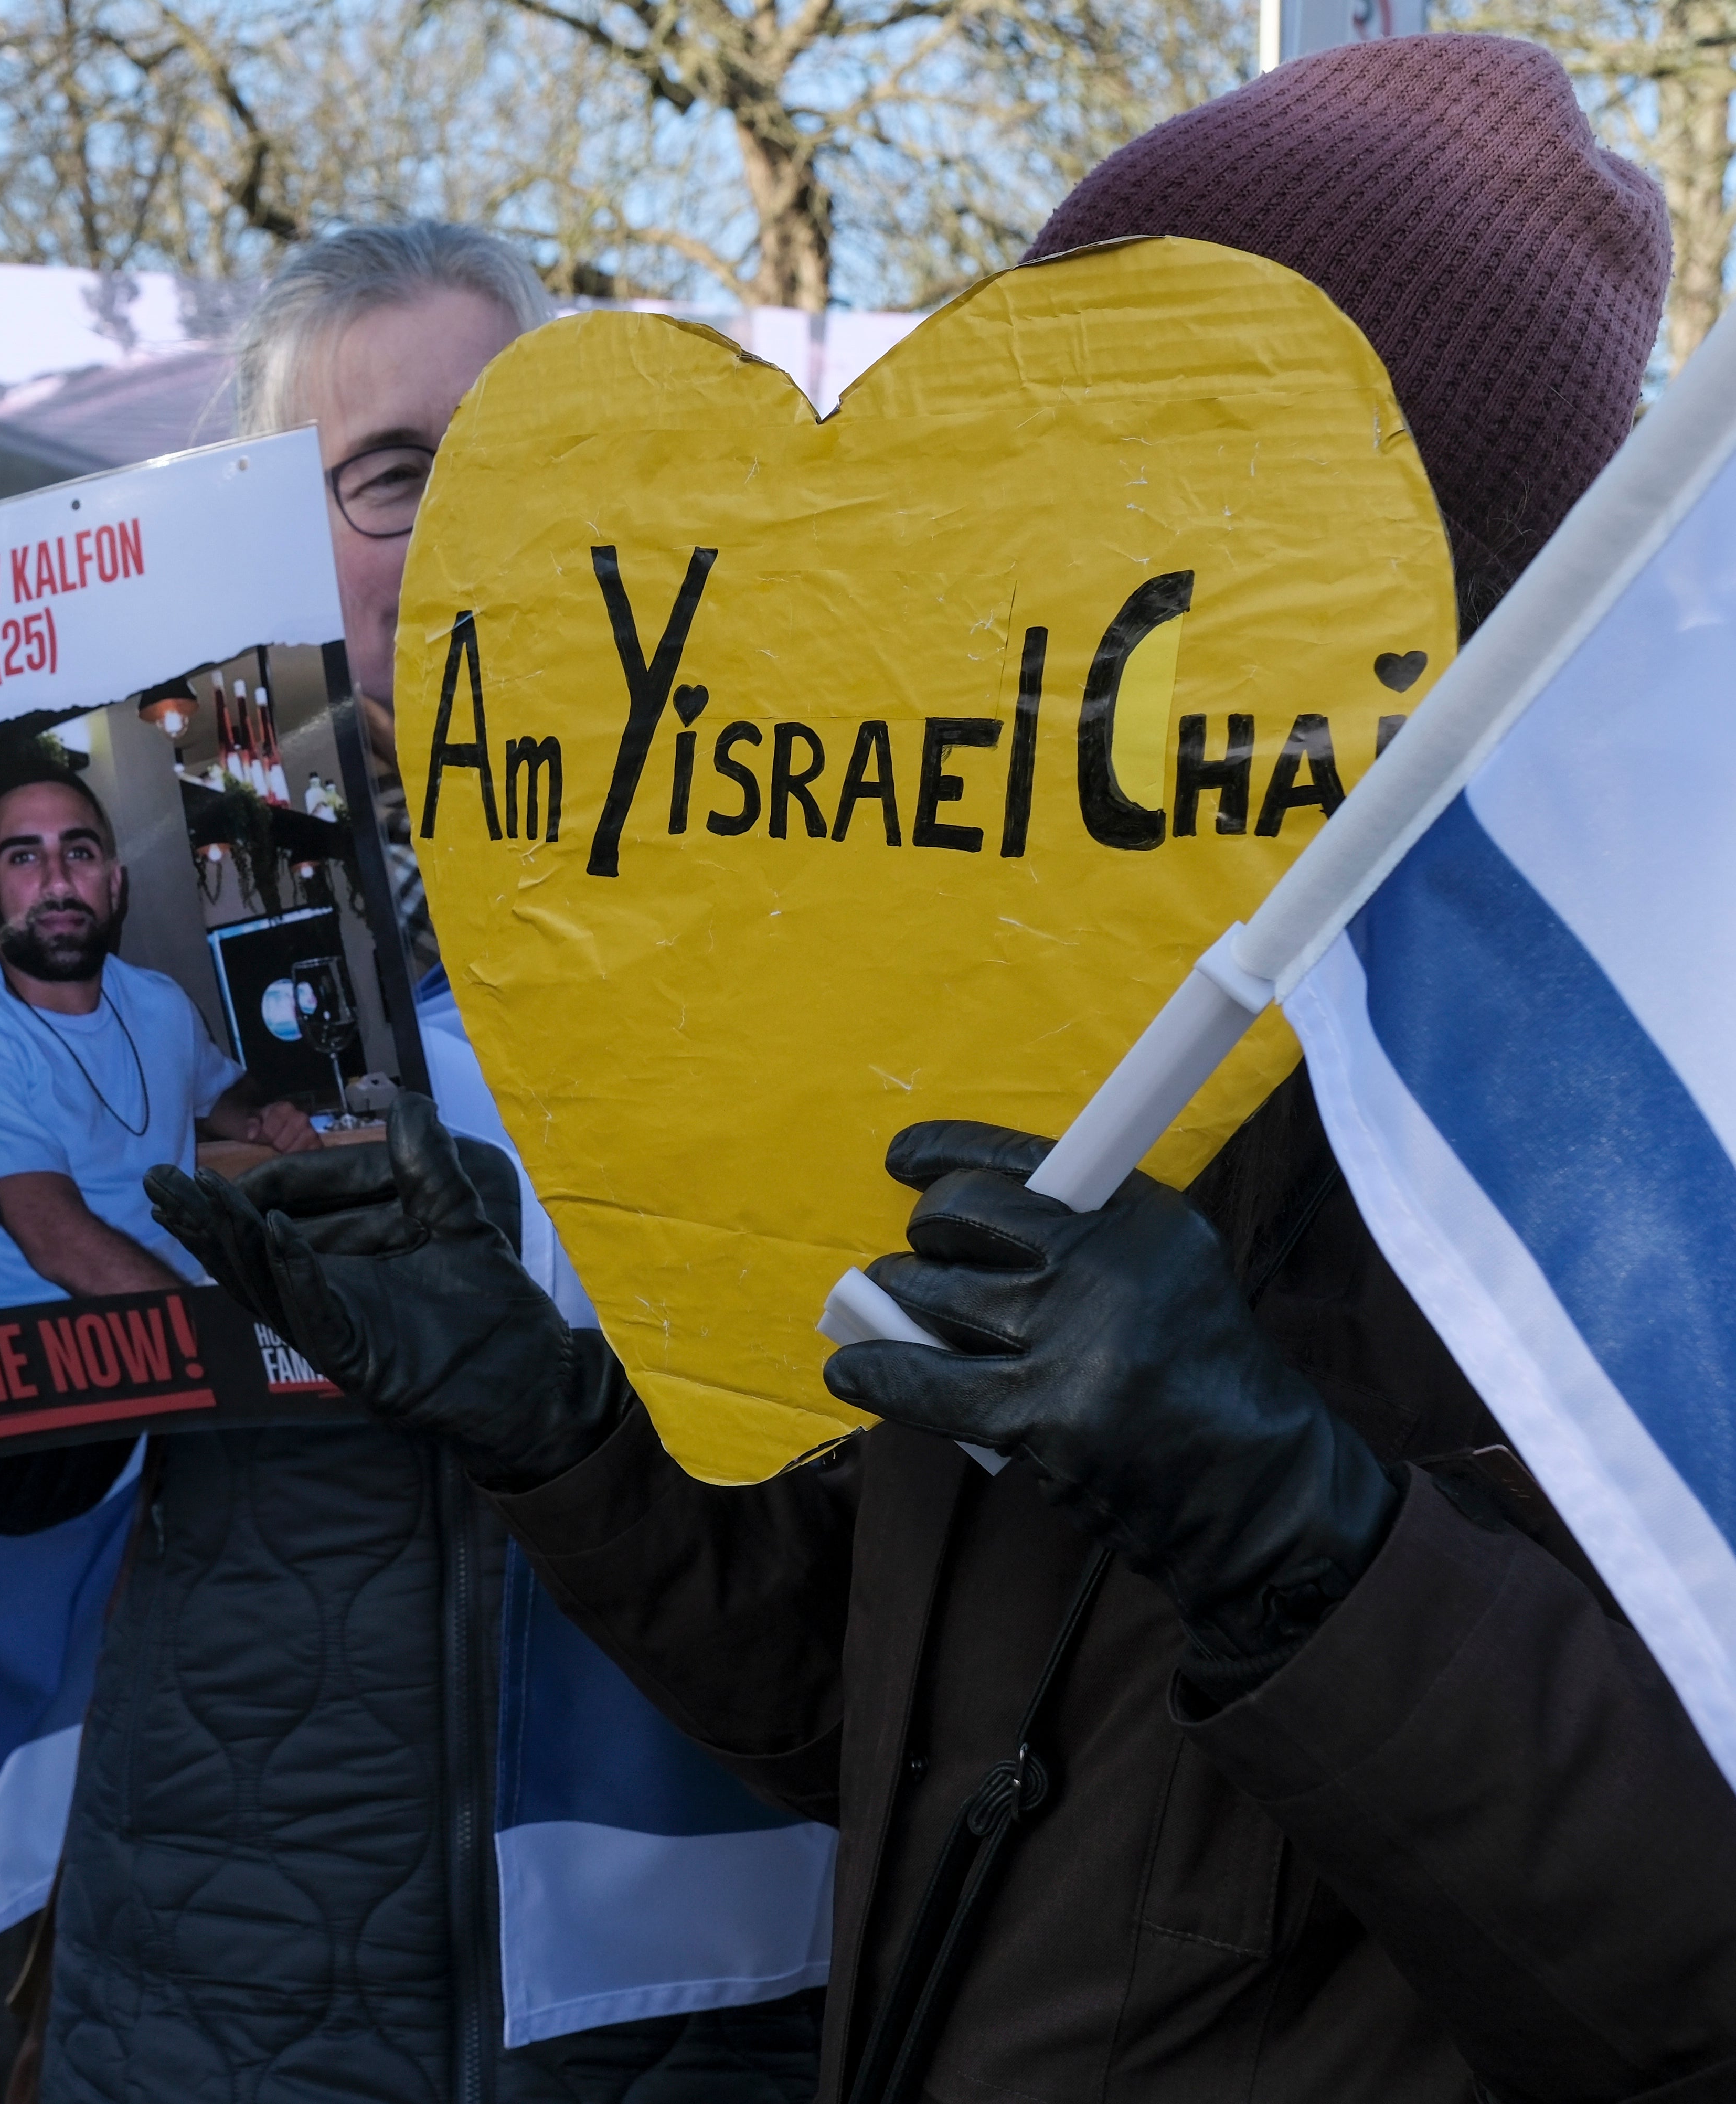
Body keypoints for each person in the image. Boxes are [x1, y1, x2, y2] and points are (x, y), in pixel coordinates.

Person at [146, 40, 1736, 2104]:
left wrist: (1306, 1543)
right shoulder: (1033, 1042)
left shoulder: (1647, 1144)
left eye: (1180, 477)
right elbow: (864, 1708)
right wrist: (546, 1423)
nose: (1034, 570)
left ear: (1440, 592)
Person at [0, 226, 825, 2103]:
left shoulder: (789, 899)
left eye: (522, 457)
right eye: (391, 476)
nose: (475, 523)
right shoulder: (132, 952)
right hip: (244, 1948)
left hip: (713, 1982)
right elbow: (24, 1441)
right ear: (259, 561)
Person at [0, 770, 321, 1309]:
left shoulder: (160, 1002)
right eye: (24, 857)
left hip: (192, 1315)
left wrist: (259, 1119)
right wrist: (224, 1350)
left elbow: (221, 1092)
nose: (57, 881)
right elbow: (62, 1242)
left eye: (78, 852)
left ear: (114, 883)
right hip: (50, 1354)